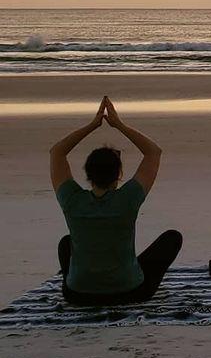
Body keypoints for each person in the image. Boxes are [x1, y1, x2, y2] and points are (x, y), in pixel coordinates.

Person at [50, 96, 181, 305]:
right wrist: (118, 125)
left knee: (66, 243)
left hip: (78, 295)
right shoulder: (127, 199)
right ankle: (123, 273)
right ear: (119, 174)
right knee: (172, 238)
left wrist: (93, 125)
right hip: (130, 292)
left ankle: (92, 277)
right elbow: (153, 152)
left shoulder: (72, 200)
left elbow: (57, 152)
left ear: (88, 174)